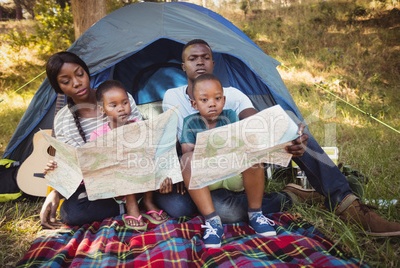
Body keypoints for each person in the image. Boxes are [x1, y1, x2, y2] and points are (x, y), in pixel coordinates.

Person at [162, 39, 400, 237]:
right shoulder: (172, 97)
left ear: (213, 63)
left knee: (295, 132)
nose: (200, 61)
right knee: (189, 208)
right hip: (202, 175)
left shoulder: (232, 95)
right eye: (193, 58)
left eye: (205, 57)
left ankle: (345, 201)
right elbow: (172, 143)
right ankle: (290, 197)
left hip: (238, 168)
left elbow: (259, 124)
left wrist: (287, 137)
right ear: (183, 66)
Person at [40, 51, 144, 228]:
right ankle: (130, 204)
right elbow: (71, 164)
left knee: (179, 205)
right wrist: (55, 193)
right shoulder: (64, 120)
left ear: (87, 72)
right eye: (66, 81)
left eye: (80, 74)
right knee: (71, 213)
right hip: (100, 185)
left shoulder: (117, 98)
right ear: (59, 88)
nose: (77, 83)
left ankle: (136, 199)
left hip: (135, 172)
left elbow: (141, 137)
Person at [180, 74, 277, 248]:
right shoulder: (190, 122)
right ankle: (212, 221)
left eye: (217, 98)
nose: (212, 103)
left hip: (232, 173)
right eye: (204, 99)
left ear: (224, 100)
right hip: (207, 179)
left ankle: (256, 213)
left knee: (252, 153)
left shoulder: (230, 115)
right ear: (194, 104)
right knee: (186, 160)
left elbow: (237, 145)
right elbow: (188, 152)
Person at [89, 80, 168, 230]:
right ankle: (131, 204)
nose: (121, 108)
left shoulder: (138, 125)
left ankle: (148, 200)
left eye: (124, 103)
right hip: (119, 186)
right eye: (113, 105)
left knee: (145, 150)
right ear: (102, 109)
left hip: (144, 182)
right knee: (123, 154)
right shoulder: (98, 135)